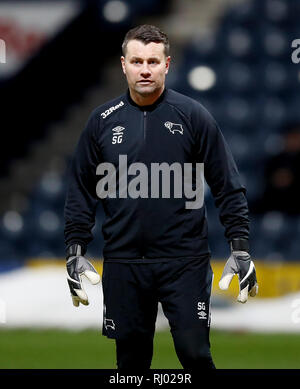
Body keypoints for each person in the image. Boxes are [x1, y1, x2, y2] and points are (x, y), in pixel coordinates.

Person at [64, 24, 258, 370]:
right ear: (123, 64)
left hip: (184, 261)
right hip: (123, 262)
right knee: (131, 364)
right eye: (137, 61)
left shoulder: (194, 116)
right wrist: (75, 249)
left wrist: (239, 246)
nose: (145, 69)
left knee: (195, 354)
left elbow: (228, 184)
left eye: (153, 61)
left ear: (167, 65)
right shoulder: (101, 122)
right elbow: (81, 189)